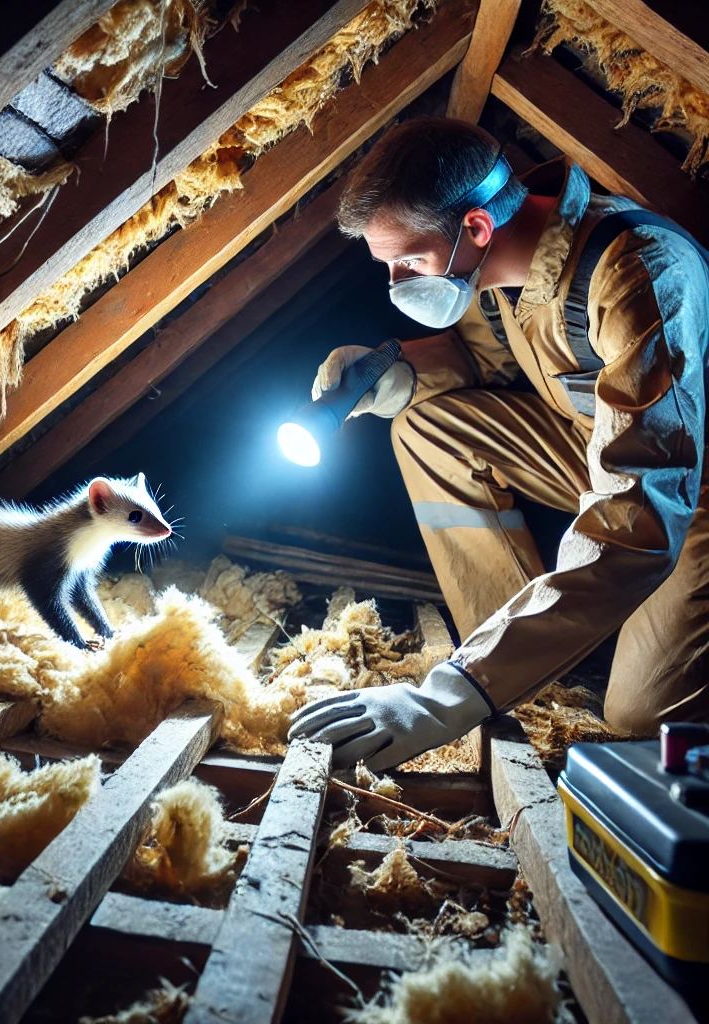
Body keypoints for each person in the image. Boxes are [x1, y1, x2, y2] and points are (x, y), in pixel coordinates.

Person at [289, 117, 709, 769]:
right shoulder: (499, 275)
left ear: (477, 229)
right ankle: (512, 673)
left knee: (636, 718)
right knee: (429, 428)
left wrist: (442, 702)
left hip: (685, 491)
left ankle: (479, 680)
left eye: (408, 262)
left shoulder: (638, 274)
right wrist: (394, 378)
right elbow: (483, 361)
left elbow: (641, 518)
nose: (399, 282)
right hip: (599, 447)